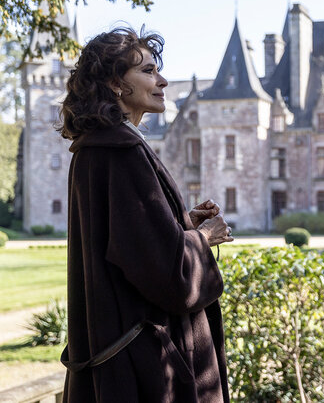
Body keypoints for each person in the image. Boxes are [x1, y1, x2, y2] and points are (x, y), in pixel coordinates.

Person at [58, 27, 234, 402]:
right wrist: (204, 239)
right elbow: (168, 276)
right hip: (147, 369)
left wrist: (180, 223)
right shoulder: (122, 152)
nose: (163, 80)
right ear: (115, 83)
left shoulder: (93, 150)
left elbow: (130, 242)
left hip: (121, 361)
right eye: (149, 71)